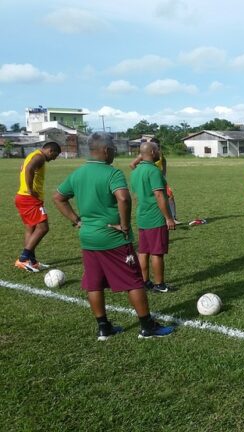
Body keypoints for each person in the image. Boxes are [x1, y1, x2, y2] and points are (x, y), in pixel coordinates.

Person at [53, 133, 173, 340]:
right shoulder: (112, 173)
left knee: (94, 283)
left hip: (88, 237)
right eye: (114, 150)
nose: (114, 154)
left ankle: (104, 327)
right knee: (134, 281)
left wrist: (77, 220)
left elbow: (58, 197)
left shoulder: (78, 173)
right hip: (113, 237)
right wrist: (124, 225)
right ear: (106, 150)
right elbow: (123, 198)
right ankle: (147, 326)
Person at [130, 141, 176, 293]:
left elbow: (133, 165)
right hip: (155, 217)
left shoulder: (135, 171)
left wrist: (140, 156)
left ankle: (144, 281)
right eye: (157, 150)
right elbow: (159, 195)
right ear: (152, 152)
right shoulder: (154, 171)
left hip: (142, 216)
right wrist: (169, 218)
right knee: (157, 252)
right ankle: (159, 285)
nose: (159, 152)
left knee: (143, 251)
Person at [14, 141, 61, 272]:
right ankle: (23, 259)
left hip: (22, 197)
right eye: (55, 155)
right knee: (43, 227)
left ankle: (32, 261)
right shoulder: (39, 157)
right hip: (29, 199)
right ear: (50, 151)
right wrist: (29, 189)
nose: (54, 158)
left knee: (31, 229)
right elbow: (28, 169)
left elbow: (24, 168)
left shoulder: (33, 155)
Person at [130, 140, 179, 223]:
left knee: (170, 196)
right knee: (157, 197)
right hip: (150, 178)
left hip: (158, 179)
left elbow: (164, 162)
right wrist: (141, 175)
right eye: (155, 146)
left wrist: (163, 176)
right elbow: (132, 164)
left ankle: (173, 217)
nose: (158, 148)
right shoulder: (145, 154)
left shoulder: (160, 155)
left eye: (158, 146)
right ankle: (167, 217)